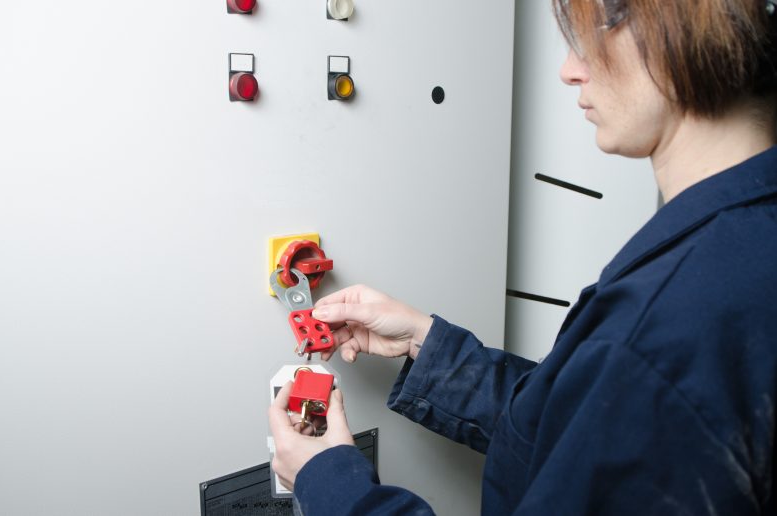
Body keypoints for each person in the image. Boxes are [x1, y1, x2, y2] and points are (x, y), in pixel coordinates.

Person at [269, 0, 777, 513]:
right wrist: (424, 343)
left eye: (593, 35)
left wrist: (330, 482)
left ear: (681, 34)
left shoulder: (659, 328)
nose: (569, 70)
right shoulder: (742, 243)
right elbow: (578, 426)